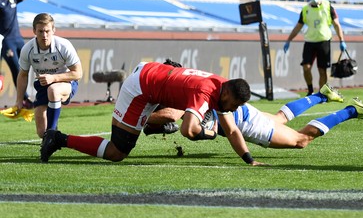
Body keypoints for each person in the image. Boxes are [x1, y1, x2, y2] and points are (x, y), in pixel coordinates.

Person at [40, 60, 264, 166]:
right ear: (228, 95)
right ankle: (57, 139)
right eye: (235, 105)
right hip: (141, 89)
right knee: (117, 152)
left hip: (152, 75)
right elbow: (188, 131)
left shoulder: (223, 86)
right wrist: (210, 134)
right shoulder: (205, 92)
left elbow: (232, 130)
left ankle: (153, 125)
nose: (234, 110)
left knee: (169, 118)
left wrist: (249, 160)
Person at [147, 83, 363, 151]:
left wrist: (143, 119)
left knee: (300, 140)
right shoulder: (194, 90)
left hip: (247, 124)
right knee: (280, 117)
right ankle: (321, 96)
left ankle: (352, 111)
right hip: (244, 113)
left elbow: (173, 114)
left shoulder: (184, 105)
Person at [15, 13, 82, 138]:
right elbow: (23, 75)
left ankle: (51, 133)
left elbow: (78, 73)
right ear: (34, 31)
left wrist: (54, 78)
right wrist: (19, 101)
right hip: (43, 86)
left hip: (66, 83)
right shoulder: (27, 49)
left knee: (54, 90)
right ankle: (50, 134)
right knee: (41, 133)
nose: (44, 35)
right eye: (40, 31)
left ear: (53, 30)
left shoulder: (64, 45)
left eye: (47, 31)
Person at [283, 0, 347, 96]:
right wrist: (289, 40)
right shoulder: (305, 9)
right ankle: (310, 90)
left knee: (322, 70)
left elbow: (336, 24)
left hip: (324, 41)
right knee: (306, 67)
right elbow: (298, 27)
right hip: (310, 41)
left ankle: (321, 94)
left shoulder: (327, 6)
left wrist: (342, 40)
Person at [0, 0, 33, 107]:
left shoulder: (12, 0)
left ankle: (26, 97)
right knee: (17, 69)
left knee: (26, 68)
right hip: (7, 42)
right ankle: (25, 99)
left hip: (19, 39)